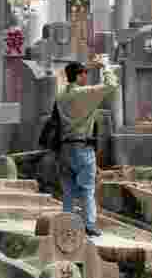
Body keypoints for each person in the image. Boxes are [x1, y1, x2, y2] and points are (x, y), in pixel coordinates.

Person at [57, 58, 117, 238]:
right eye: (85, 74)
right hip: (82, 148)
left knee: (68, 190)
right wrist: (105, 65)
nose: (87, 77)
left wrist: (88, 66)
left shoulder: (61, 95)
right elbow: (111, 85)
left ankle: (67, 226)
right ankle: (89, 225)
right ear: (79, 76)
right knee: (87, 189)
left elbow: (65, 77)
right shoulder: (84, 94)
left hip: (64, 149)